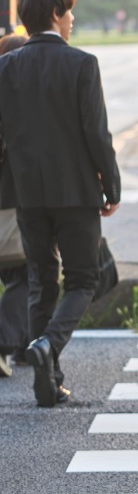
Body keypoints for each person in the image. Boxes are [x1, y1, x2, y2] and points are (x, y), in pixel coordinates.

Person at [0, 0, 120, 407]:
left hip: (27, 194)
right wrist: (112, 184)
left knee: (41, 282)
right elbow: (96, 133)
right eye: (68, 12)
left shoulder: (5, 67)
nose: (71, 20)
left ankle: (49, 382)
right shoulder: (82, 64)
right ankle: (48, 345)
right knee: (83, 278)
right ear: (55, 14)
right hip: (77, 191)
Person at [0, 33, 30, 377]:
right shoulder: (19, 108)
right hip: (15, 207)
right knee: (28, 276)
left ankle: (23, 346)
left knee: (18, 277)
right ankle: (6, 340)